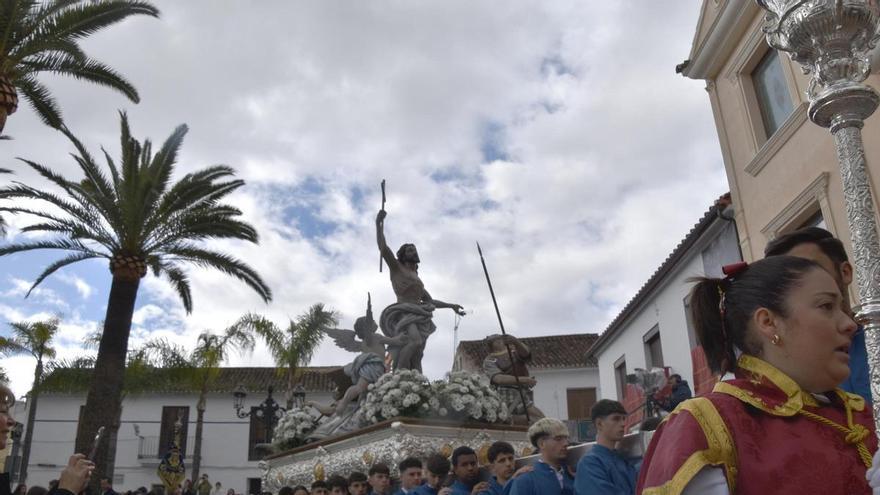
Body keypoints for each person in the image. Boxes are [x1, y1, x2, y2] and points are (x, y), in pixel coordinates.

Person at [637, 256, 877, 494]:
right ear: (768, 322)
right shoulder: (707, 425)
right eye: (826, 306)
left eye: (842, 307)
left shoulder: (863, 414)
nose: (849, 324)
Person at [765, 226, 870, 402]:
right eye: (789, 280)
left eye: (812, 268)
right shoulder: (782, 376)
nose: (805, 284)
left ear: (845, 272)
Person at [376, 208, 465, 371]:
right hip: (404, 312)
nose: (414, 251)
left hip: (420, 313)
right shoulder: (397, 269)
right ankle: (400, 374)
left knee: (418, 353)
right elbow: (383, 248)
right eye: (410, 250)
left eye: (414, 249)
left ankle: (417, 380)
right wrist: (378, 223)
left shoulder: (417, 279)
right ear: (402, 256)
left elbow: (430, 301)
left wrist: (451, 305)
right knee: (414, 341)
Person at [574, 400, 638, 495]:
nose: (623, 424)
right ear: (599, 424)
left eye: (623, 419)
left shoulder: (624, 460)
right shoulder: (590, 463)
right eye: (616, 419)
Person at [482, 335, 545, 425]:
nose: (499, 341)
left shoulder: (513, 351)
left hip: (521, 392)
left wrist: (516, 341)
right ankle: (507, 418)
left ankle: (509, 419)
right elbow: (498, 378)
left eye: (500, 339)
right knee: (537, 419)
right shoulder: (490, 361)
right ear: (490, 345)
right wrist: (524, 380)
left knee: (541, 419)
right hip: (505, 393)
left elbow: (526, 354)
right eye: (495, 341)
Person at [507, 418, 574, 495]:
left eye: (566, 438)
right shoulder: (526, 480)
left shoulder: (571, 475)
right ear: (542, 444)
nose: (566, 443)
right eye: (558, 439)